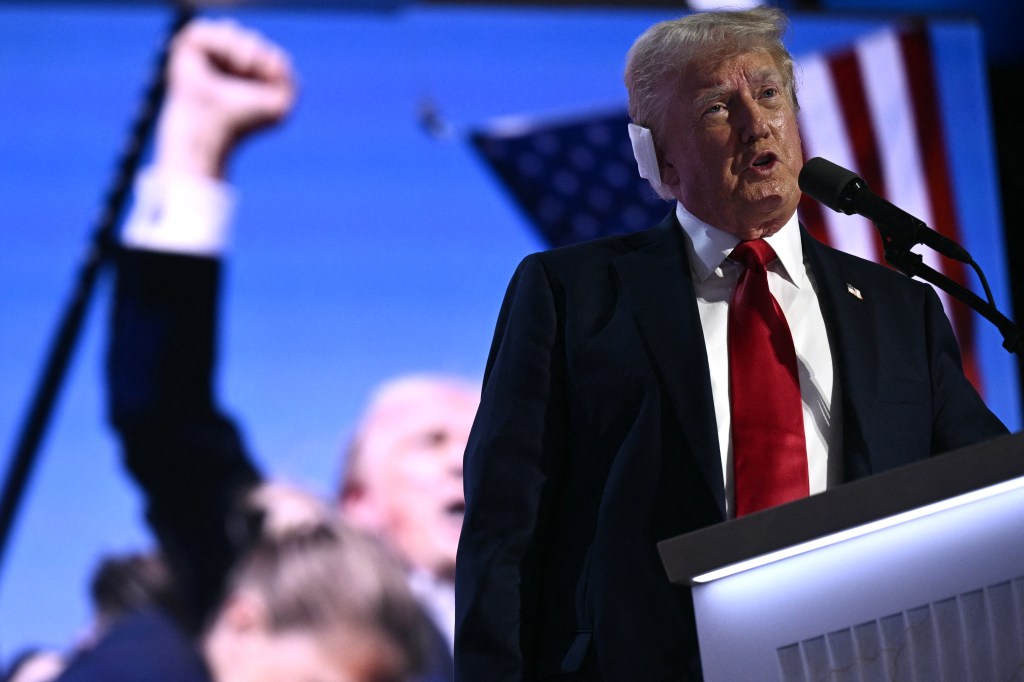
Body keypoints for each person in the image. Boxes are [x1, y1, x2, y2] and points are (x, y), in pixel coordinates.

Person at [454, 7, 1009, 681]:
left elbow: (985, 493)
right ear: (658, 160)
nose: (757, 122)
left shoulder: (900, 309)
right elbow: (503, 535)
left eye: (770, 93)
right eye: (718, 108)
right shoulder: (572, 294)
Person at [54, 18, 431, 682]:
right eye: (431, 442)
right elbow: (165, 414)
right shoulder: (273, 569)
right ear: (359, 502)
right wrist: (197, 149)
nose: (473, 464)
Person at [338, 374, 478, 669]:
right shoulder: (313, 625)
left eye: (479, 443)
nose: (463, 461)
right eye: (431, 442)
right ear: (360, 500)